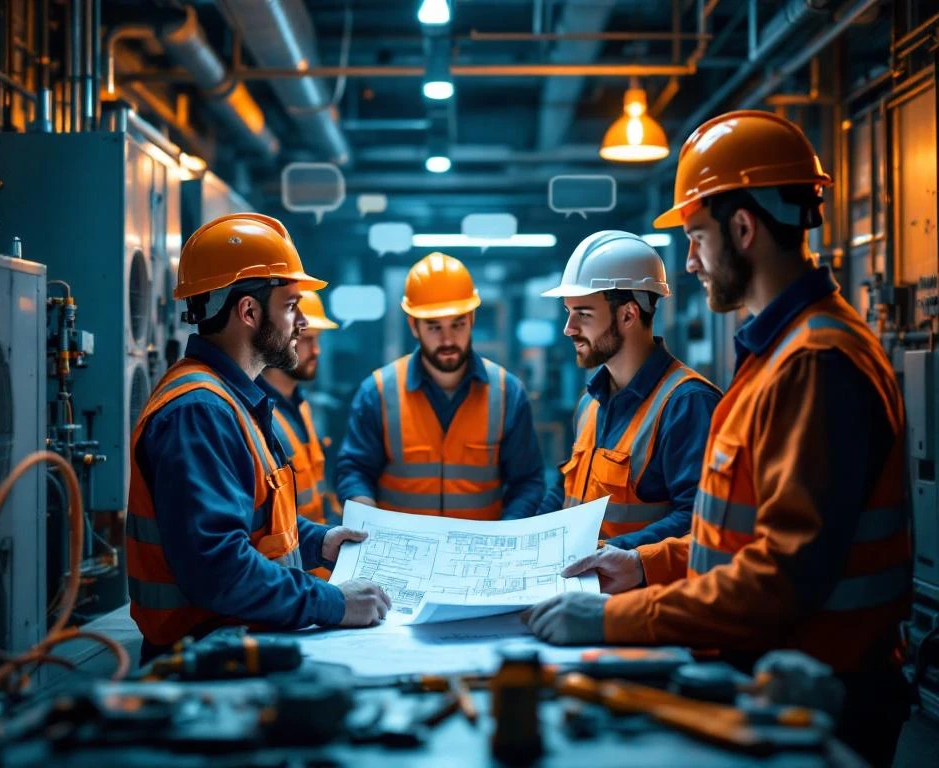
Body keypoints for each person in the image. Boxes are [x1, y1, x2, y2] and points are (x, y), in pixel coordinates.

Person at [523, 111, 911, 766]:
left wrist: (614, 617)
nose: (690, 261)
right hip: (776, 676)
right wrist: (644, 565)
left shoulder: (814, 362)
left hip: (821, 691)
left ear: (743, 228)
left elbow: (780, 579)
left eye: (697, 236)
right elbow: (731, 540)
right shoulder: (777, 357)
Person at [126, 213, 390, 663]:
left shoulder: (230, 400)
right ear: (248, 312)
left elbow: (255, 520)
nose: (301, 323)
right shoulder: (200, 412)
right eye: (291, 306)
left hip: (236, 647)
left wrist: (318, 541)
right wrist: (333, 603)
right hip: (205, 660)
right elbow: (218, 568)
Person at [536, 230, 720, 549]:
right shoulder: (591, 402)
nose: (569, 329)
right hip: (584, 579)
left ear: (628, 315)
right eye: (568, 312)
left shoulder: (688, 404)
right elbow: (568, 490)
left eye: (583, 314)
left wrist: (614, 555)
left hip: (636, 582)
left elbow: (697, 519)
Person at [335, 252, 545, 519]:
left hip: (480, 544)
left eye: (457, 324)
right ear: (414, 326)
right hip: (400, 544)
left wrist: (507, 530)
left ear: (472, 319)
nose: (447, 340)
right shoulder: (377, 393)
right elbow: (353, 469)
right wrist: (365, 513)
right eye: (434, 327)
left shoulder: (507, 394)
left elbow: (527, 481)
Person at [259, 290, 343, 578]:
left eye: (318, 340)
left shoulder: (302, 406)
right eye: (306, 339)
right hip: (291, 577)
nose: (316, 350)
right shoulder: (258, 416)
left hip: (320, 570)